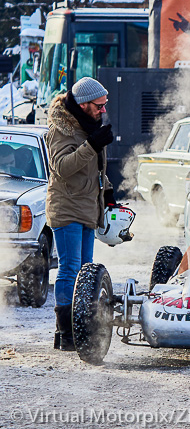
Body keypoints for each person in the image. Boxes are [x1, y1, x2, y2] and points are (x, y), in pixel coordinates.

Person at [45, 77, 115, 351]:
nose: (103, 110)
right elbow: (62, 167)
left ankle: (81, 325)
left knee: (87, 270)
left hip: (87, 206)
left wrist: (107, 192)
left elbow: (94, 169)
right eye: (99, 106)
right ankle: (66, 332)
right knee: (71, 268)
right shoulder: (61, 129)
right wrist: (92, 146)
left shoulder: (89, 125)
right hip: (66, 206)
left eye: (104, 105)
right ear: (84, 104)